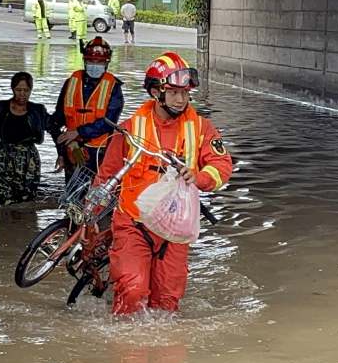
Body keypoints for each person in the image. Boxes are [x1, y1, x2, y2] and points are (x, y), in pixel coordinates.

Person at [94, 52, 233, 315]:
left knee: (167, 303)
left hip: (174, 230)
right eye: (173, 92)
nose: (181, 99)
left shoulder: (202, 128)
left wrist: (200, 176)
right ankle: (123, 351)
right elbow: (108, 173)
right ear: (156, 92)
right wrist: (91, 209)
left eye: (185, 92)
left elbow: (222, 165)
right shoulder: (130, 128)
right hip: (133, 223)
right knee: (133, 290)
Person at [0, 72, 55, 205]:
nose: (22, 94)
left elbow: (55, 130)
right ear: (13, 89)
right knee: (5, 200)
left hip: (28, 158)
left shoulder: (38, 110)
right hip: (1, 156)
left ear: (31, 90)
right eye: (18, 90)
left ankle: (26, 224)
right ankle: (3, 223)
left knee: (27, 200)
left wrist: (63, 154)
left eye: (26, 90)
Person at [52, 36, 123, 182]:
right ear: (85, 61)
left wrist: (79, 132)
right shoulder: (71, 83)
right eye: (91, 61)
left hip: (99, 153)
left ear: (106, 63)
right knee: (73, 195)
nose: (95, 65)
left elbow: (108, 122)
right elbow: (57, 120)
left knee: (97, 195)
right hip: (73, 149)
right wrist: (61, 153)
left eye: (100, 62)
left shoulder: (113, 87)